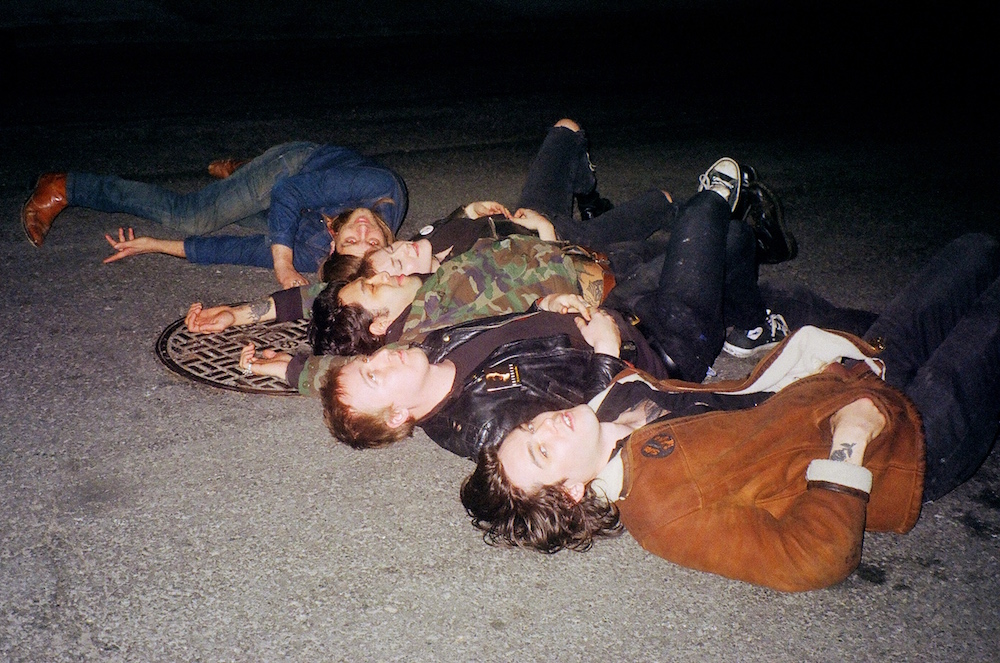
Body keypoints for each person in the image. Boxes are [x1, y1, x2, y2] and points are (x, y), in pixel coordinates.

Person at [459, 233, 1000, 592]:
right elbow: (810, 560)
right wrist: (850, 443)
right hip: (906, 442)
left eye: (528, 425)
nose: (546, 424)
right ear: (573, 492)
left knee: (974, 252)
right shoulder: (662, 512)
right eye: (543, 451)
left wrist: (596, 343)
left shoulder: (614, 401)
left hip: (856, 371)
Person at [20, 142, 408, 288]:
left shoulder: (319, 251)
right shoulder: (382, 189)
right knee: (194, 216)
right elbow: (289, 192)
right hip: (298, 167)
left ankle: (243, 172)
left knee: (246, 223)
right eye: (372, 241)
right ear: (388, 243)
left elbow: (239, 250)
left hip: (305, 207)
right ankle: (65, 185)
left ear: (334, 242)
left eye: (353, 241)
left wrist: (155, 245)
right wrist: (283, 264)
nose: (363, 230)